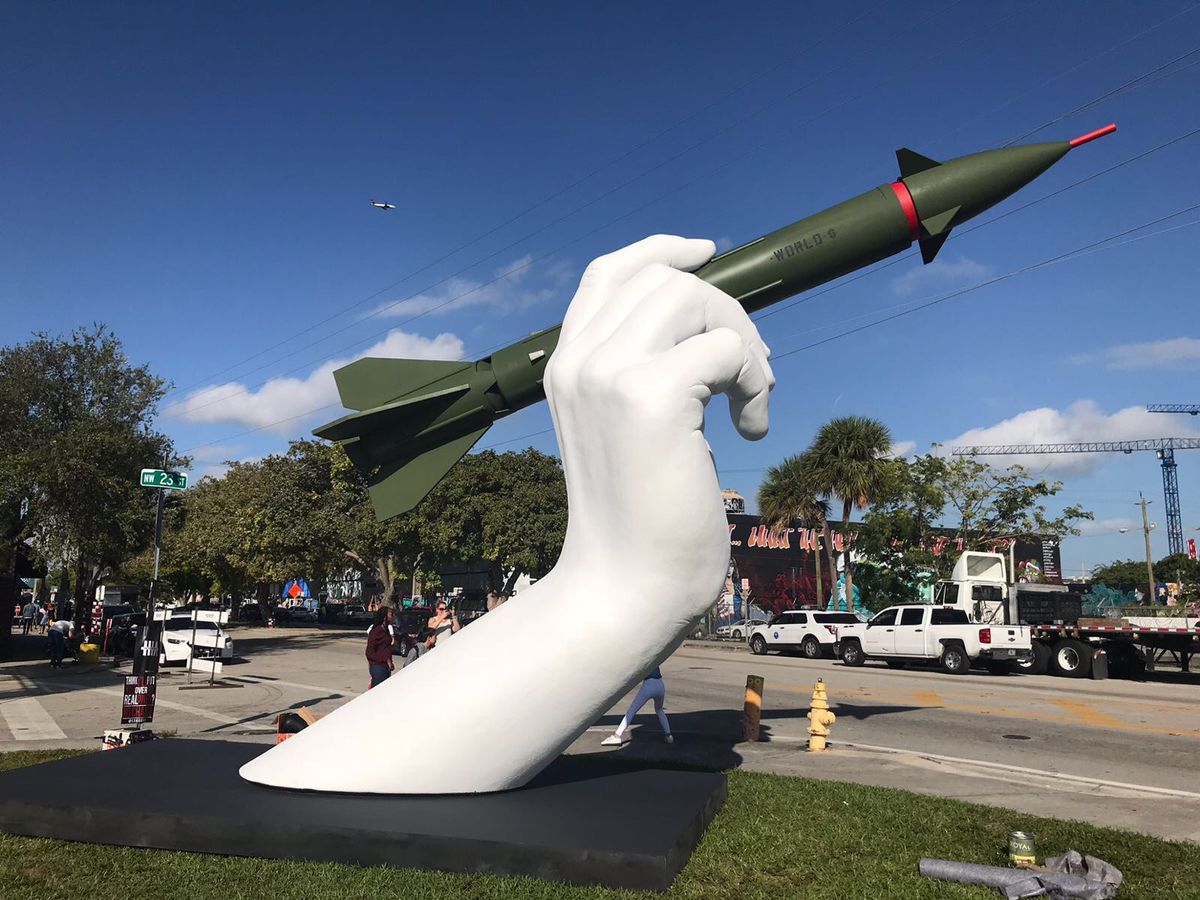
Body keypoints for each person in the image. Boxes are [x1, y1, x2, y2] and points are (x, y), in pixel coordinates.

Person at [602, 667, 673, 745]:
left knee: (631, 711)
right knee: (659, 710)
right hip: (660, 684)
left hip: (648, 685)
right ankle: (668, 735)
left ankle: (617, 736)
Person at [366, 607, 394, 688]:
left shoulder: (386, 630)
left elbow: (385, 648)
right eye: (391, 615)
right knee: (377, 692)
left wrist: (389, 661)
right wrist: (385, 660)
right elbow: (369, 652)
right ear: (385, 617)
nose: (393, 617)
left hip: (385, 667)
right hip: (378, 667)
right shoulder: (377, 631)